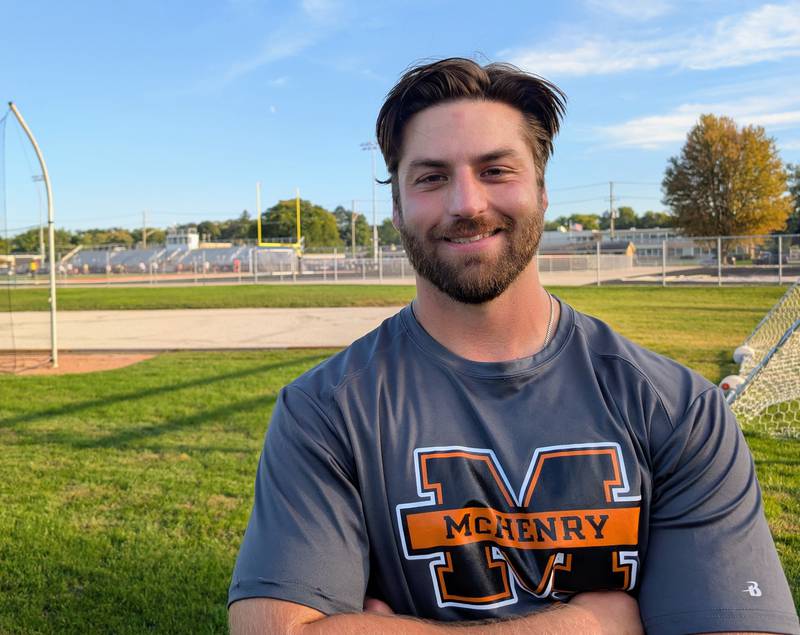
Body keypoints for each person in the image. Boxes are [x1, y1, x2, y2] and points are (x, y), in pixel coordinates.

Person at [228, 58, 800, 634]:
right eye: (430, 177)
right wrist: (584, 627)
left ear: (543, 191)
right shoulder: (326, 410)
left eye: (496, 170)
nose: (467, 204)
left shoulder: (675, 408)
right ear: (397, 207)